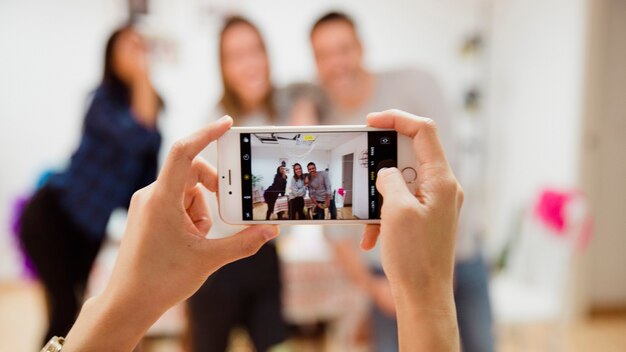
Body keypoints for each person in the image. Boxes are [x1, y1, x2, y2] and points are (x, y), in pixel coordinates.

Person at [53, 111, 464, 352]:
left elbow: (314, 191)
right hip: (235, 255)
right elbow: (280, 191)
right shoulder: (280, 172)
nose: (297, 168)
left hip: (272, 255)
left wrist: (117, 312)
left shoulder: (303, 153)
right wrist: (427, 299)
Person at [309, 12, 494, 352]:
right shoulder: (327, 124)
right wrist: (373, 288)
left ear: (360, 47)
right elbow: (333, 230)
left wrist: (440, 270)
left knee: (480, 345)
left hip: (458, 254)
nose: (336, 63)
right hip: (387, 273)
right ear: (316, 63)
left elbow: (447, 179)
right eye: (324, 55)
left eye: (343, 49)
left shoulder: (415, 84)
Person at [19, 25, 163, 345]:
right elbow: (136, 136)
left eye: (143, 47)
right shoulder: (101, 102)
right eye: (130, 47)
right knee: (63, 311)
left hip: (88, 231)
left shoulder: (151, 114)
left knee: (75, 315)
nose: (139, 54)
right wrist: (143, 78)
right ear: (111, 58)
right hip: (52, 217)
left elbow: (142, 188)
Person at [187, 16, 289, 352]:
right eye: (235, 55)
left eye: (254, 51)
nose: (248, 63)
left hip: (265, 255)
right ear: (223, 67)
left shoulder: (285, 114)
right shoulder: (214, 125)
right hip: (217, 263)